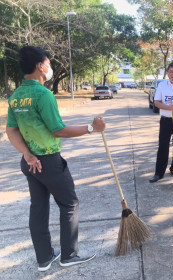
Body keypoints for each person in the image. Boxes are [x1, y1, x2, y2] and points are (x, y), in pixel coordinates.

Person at [6, 46, 106, 271]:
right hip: (49, 161)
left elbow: (11, 131)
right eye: (48, 63)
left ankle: (44, 258)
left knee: (38, 207)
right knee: (69, 204)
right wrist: (92, 128)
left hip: (31, 162)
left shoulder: (16, 96)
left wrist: (27, 154)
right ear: (40, 66)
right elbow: (58, 130)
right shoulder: (43, 95)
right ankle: (68, 255)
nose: (50, 67)